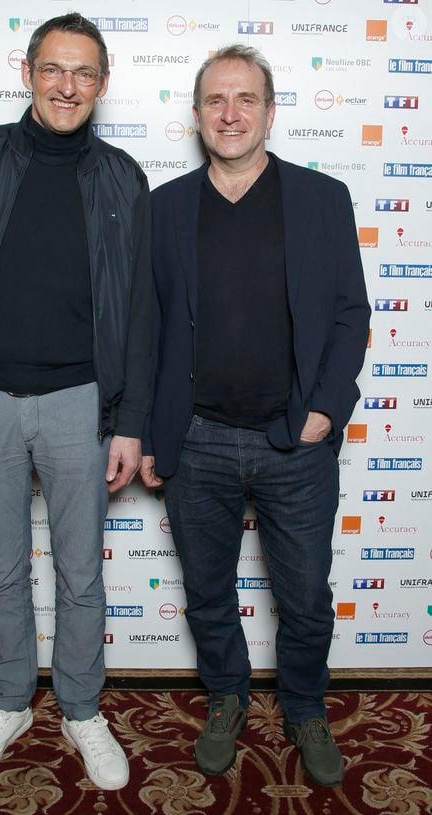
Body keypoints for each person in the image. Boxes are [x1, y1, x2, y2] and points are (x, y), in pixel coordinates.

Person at [0, 13, 151, 791]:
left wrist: (133, 422)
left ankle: (81, 707)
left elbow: (140, 312)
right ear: (29, 72)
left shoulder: (122, 177)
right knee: (2, 570)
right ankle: (9, 698)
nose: (67, 86)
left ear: (102, 84)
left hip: (83, 402)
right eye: (53, 69)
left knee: (81, 574)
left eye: (83, 73)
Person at [141, 45, 370, 787]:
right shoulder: (165, 206)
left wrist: (325, 411)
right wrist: (147, 429)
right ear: (198, 114)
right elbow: (146, 327)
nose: (230, 114)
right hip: (195, 438)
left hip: (293, 442)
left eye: (245, 100)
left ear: (270, 112)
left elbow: (348, 313)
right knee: (208, 591)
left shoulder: (322, 197)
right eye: (215, 101)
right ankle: (228, 697)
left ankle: (304, 704)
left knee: (303, 596)